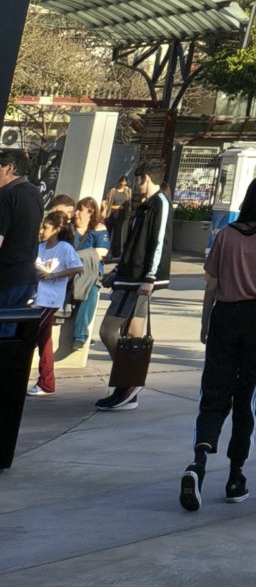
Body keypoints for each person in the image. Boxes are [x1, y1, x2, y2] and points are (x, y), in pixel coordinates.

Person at [182, 172, 256, 510]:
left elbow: (212, 284)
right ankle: (235, 475)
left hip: (224, 315)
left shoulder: (226, 234)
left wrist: (205, 321)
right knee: (247, 397)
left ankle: (198, 462)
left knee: (214, 390)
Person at [96, 164, 169, 412]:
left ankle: (129, 381)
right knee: (129, 336)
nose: (134, 186)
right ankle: (127, 386)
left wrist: (150, 277)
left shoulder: (160, 204)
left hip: (138, 280)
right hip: (130, 277)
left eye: (137, 180)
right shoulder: (146, 205)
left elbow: (159, 241)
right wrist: (118, 270)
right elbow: (133, 244)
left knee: (108, 331)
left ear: (144, 178)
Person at [31, 213, 79, 396]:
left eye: (46, 227)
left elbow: (78, 267)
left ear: (57, 230)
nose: (42, 231)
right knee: (44, 340)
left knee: (31, 335)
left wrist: (53, 275)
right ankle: (46, 382)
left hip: (50, 300)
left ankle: (44, 382)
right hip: (36, 298)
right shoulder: (40, 247)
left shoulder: (64, 248)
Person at [0, 142, 44, 320]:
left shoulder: (7, 196)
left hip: (6, 279)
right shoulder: (35, 193)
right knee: (11, 329)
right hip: (26, 277)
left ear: (8, 168)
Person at [68, 196, 109, 355]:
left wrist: (74, 256)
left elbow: (101, 252)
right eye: (76, 209)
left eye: (81, 210)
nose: (76, 213)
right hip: (69, 271)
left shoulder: (98, 230)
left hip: (89, 273)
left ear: (91, 213)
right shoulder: (69, 229)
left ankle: (80, 336)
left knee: (90, 291)